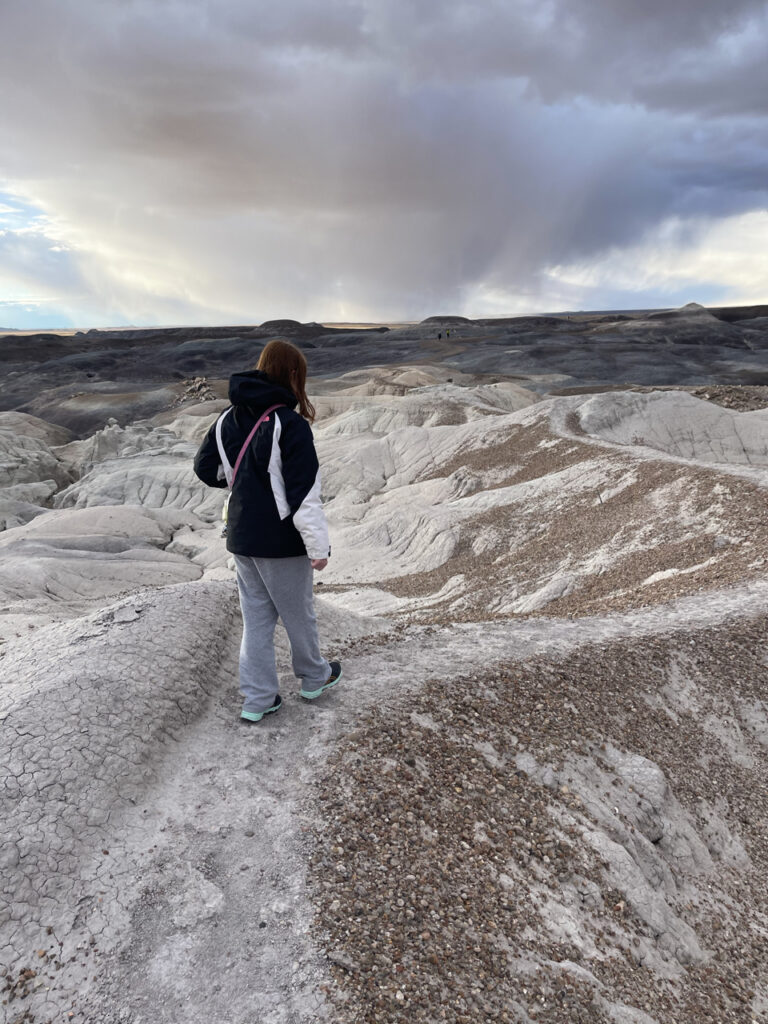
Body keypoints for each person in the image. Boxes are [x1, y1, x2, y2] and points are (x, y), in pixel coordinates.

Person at [193, 339, 341, 723]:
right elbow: (304, 494)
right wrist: (318, 546)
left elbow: (205, 468)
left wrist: (241, 482)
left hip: (241, 537)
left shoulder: (227, 418)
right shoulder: (287, 424)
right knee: (299, 615)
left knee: (256, 620)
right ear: (293, 375)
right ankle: (314, 678)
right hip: (280, 542)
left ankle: (258, 700)